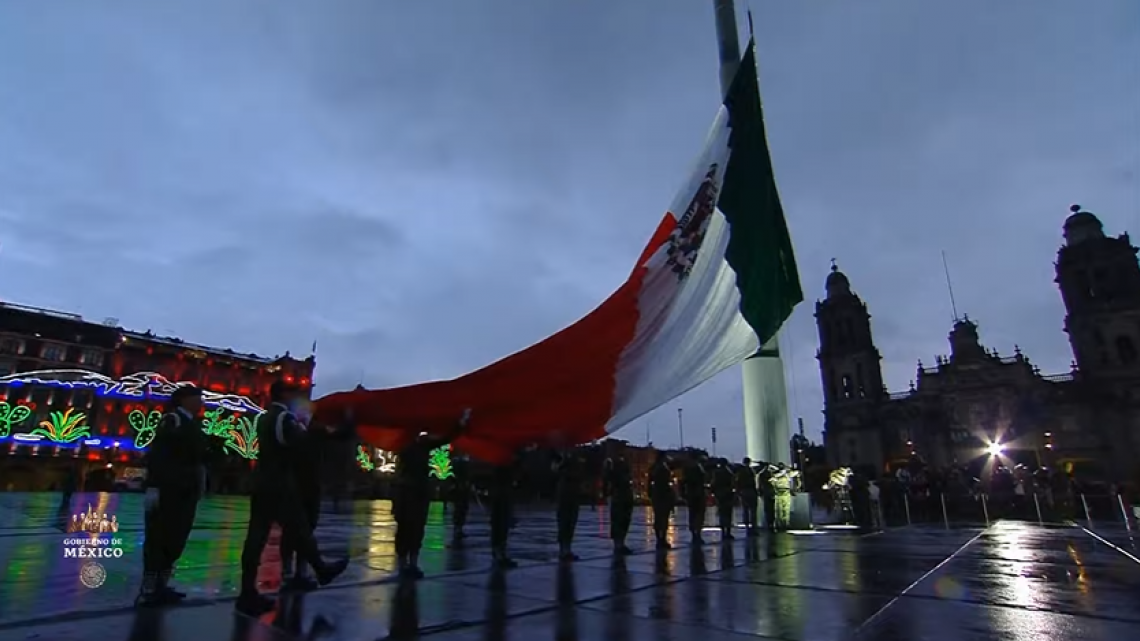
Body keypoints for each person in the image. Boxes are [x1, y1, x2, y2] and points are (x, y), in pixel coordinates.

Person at [235, 381, 349, 616]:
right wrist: (324, 431)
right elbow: (301, 445)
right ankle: (321, 570)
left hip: (263, 482)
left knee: (258, 536)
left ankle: (247, 592)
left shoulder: (266, 417)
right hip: (279, 485)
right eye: (294, 393)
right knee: (299, 529)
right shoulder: (283, 418)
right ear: (284, 395)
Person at [136, 385, 212, 607]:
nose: (201, 403)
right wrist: (153, 486)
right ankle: (150, 587)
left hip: (186, 490)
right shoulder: (172, 420)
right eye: (198, 398)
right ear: (184, 400)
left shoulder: (192, 423)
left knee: (177, 537)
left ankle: (163, 584)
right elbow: (158, 454)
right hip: (170, 489)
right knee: (159, 537)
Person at [280, 412, 355, 591]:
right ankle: (296, 572)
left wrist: (349, 419)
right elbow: (341, 435)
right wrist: (349, 418)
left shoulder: (303, 431)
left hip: (301, 486)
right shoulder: (307, 431)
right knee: (300, 531)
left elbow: (341, 435)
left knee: (297, 531)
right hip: (303, 487)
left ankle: (293, 572)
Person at [393, 409, 469, 577]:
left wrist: (459, 425)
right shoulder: (410, 445)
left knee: (414, 528)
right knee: (408, 528)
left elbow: (444, 439)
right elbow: (443, 439)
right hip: (410, 491)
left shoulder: (416, 445)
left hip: (414, 491)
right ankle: (406, 563)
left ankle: (409, 563)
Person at [489, 452, 521, 568]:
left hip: (503, 489)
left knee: (502, 523)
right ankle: (499, 552)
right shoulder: (502, 459)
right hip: (502, 490)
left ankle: (499, 552)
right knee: (500, 522)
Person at [603, 446, 635, 555]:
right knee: (618, 520)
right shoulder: (612, 464)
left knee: (625, 520)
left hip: (626, 494)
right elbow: (607, 478)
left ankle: (621, 543)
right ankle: (618, 544)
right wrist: (606, 492)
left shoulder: (624, 464)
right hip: (618, 495)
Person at [553, 450, 584, 561]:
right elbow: (555, 469)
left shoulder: (576, 456)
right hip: (565, 492)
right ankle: (563, 550)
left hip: (574, 491)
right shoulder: (560, 456)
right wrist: (563, 462)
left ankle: (567, 549)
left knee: (571, 521)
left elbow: (581, 472)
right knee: (564, 521)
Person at [647, 451, 675, 549]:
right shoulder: (663, 468)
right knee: (663, 518)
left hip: (656, 495)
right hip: (663, 495)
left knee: (658, 518)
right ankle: (662, 539)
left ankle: (660, 539)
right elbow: (666, 483)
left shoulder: (653, 468)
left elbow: (649, 482)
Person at [681, 457, 708, 545]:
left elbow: (683, 482)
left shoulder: (689, 469)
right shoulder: (697, 469)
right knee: (698, 515)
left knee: (693, 515)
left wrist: (683, 494)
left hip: (692, 494)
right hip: (697, 494)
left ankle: (695, 534)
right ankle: (697, 534)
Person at [711, 459, 736, 539]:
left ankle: (723, 532)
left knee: (722, 513)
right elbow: (733, 483)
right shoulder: (729, 472)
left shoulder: (716, 472)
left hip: (719, 494)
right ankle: (728, 532)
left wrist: (713, 492)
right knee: (728, 514)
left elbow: (713, 483)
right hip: (728, 494)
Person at [451, 453, 472, 543]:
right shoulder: (462, 462)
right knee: (461, 508)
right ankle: (458, 528)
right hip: (461, 488)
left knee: (460, 508)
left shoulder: (457, 462)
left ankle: (458, 528)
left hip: (460, 488)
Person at [735, 459, 759, 536]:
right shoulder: (752, 470)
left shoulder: (740, 471)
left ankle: (747, 527)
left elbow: (738, 482)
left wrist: (738, 492)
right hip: (751, 491)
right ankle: (753, 528)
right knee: (753, 511)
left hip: (744, 492)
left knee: (745, 510)